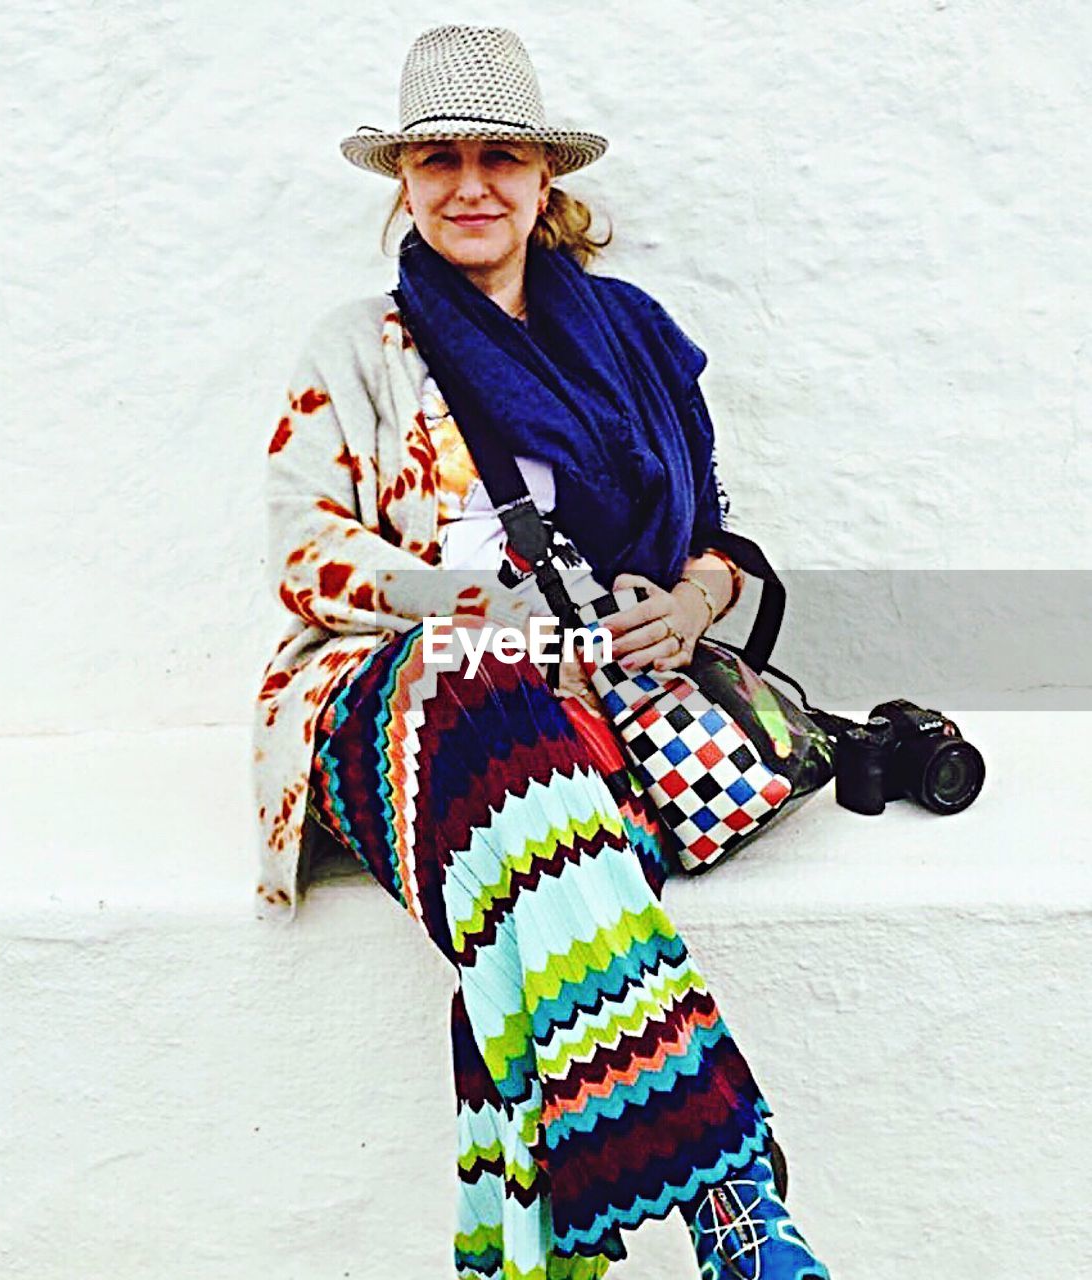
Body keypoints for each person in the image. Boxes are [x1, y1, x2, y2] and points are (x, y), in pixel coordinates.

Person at [252, 23, 832, 1280]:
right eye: (438, 160)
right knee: (492, 696)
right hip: (390, 701)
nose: (469, 185)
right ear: (402, 182)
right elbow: (306, 555)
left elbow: (719, 530)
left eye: (498, 156)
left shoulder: (628, 337)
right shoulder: (360, 346)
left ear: (542, 178)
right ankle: (732, 1186)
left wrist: (692, 600)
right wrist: (486, 608)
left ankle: (527, 1255)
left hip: (586, 719)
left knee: (520, 900)